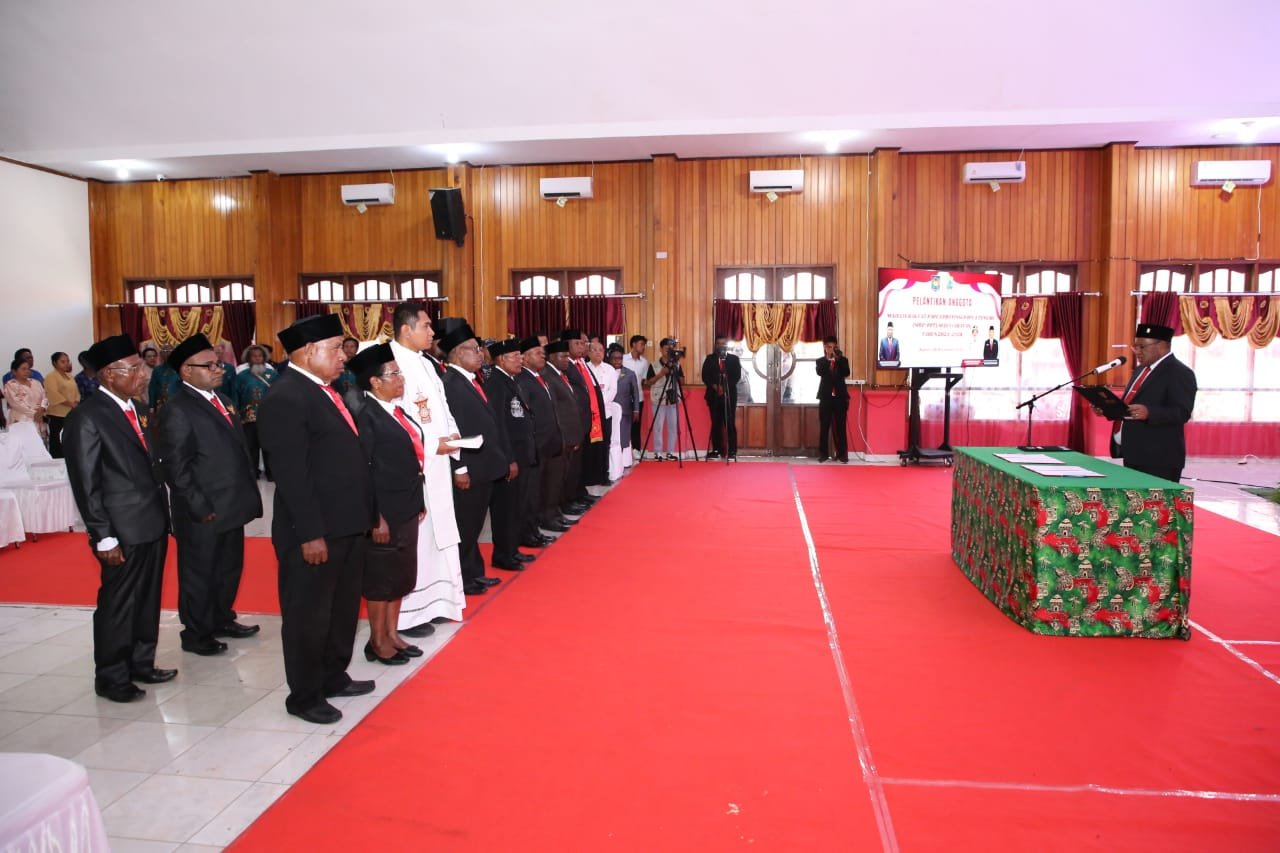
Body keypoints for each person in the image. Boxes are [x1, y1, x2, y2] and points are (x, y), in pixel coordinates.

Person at [258, 314, 376, 725]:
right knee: (309, 615)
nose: (344, 356)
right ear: (308, 351)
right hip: (315, 530)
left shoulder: (326, 390)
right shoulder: (286, 397)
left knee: (341, 610)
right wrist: (310, 534)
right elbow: (292, 475)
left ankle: (333, 675)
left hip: (347, 524)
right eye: (335, 348)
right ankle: (305, 696)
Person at [62, 334, 174, 703]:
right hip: (120, 528)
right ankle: (111, 675)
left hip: (152, 521)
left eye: (142, 368)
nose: (143, 375)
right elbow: (86, 483)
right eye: (135, 369)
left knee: (147, 597)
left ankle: (141, 662)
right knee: (119, 603)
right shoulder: (87, 417)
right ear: (109, 374)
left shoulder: (138, 409)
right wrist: (102, 535)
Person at [157, 333, 264, 658]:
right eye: (210, 366)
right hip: (202, 508)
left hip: (230, 504)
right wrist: (198, 505)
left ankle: (221, 618)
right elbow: (176, 466)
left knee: (228, 567)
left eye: (218, 364)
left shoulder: (224, 401)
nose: (219, 370)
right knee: (199, 572)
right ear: (186, 371)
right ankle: (197, 633)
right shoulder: (178, 409)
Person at [389, 302, 466, 633]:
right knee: (417, 540)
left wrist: (454, 436)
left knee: (439, 535)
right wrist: (434, 444)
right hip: (415, 468)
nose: (432, 332)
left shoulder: (426, 363)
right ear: (406, 330)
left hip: (438, 465)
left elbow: (442, 408)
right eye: (426, 326)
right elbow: (395, 419)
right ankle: (410, 614)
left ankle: (437, 602)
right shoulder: (391, 364)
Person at [346, 343, 426, 665]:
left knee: (399, 576)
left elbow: (410, 460)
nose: (400, 378)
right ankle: (377, 641)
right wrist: (375, 517)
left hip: (405, 505)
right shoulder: (366, 417)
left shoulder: (395, 410)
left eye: (399, 372)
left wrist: (418, 501)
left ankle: (392, 634)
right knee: (381, 581)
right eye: (393, 374)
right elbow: (362, 472)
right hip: (384, 513)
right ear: (374, 382)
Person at [440, 322, 512, 595]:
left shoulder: (470, 379)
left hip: (484, 464)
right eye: (474, 349)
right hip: (470, 466)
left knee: (474, 524)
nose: (481, 354)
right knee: (466, 526)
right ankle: (463, 579)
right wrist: (459, 467)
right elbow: (452, 428)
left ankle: (474, 572)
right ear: (458, 353)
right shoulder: (451, 383)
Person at [1106, 323, 1197, 483]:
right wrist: (1107, 408)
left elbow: (1182, 412)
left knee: (1155, 500)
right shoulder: (1141, 370)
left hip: (1159, 458)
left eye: (1142, 347)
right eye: (1135, 346)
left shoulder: (1179, 372)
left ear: (1161, 345)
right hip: (1134, 453)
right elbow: (1130, 405)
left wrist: (1150, 412)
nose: (1137, 351)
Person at [485, 338, 538, 571]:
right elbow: (498, 424)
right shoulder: (496, 383)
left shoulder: (511, 380)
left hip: (521, 454)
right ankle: (503, 555)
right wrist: (508, 459)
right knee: (505, 509)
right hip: (510, 457)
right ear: (500, 359)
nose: (520, 360)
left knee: (517, 506)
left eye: (520, 355)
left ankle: (512, 549)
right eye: (515, 356)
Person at [514, 337, 562, 544]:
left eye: (543, 353)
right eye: (537, 353)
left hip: (546, 444)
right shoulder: (522, 380)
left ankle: (535, 529)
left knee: (540, 490)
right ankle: (528, 533)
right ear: (524, 358)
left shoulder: (539, 377)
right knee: (530, 494)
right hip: (535, 446)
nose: (543, 355)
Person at [541, 340, 588, 522]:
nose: (566, 360)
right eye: (563, 356)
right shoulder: (547, 375)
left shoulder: (560, 374)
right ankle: (550, 514)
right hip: (561, 437)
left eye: (567, 356)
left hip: (570, 436)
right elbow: (555, 411)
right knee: (554, 480)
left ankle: (559, 509)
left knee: (563, 477)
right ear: (552, 357)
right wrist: (563, 437)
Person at [231, 344, 278, 480]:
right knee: (251, 447)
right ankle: (253, 473)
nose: (257, 358)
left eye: (260, 356)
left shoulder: (273, 375)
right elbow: (235, 397)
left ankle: (271, 473)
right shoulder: (241, 377)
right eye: (254, 356)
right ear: (248, 358)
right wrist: (235, 416)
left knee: (269, 446)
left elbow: (279, 395)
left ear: (264, 358)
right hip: (247, 418)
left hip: (269, 417)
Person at [3, 359, 52, 464]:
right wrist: (34, 414)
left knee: (40, 447)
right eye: (23, 369)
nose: (27, 371)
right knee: (23, 448)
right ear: (14, 371)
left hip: (39, 418)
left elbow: (45, 397)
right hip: (21, 419)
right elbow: (16, 403)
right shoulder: (10, 385)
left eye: (28, 369)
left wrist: (42, 408)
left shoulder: (36, 382)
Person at [588, 340, 625, 481]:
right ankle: (590, 475)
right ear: (589, 352)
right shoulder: (585, 368)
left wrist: (599, 404)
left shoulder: (609, 369)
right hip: (590, 414)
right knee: (590, 445)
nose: (598, 353)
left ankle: (603, 474)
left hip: (605, 413)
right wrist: (593, 405)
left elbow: (613, 390)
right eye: (595, 350)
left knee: (605, 444)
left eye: (601, 350)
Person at [701, 335, 741, 460]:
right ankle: (716, 450)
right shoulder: (710, 359)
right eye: (719, 343)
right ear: (715, 345)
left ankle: (732, 451)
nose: (721, 346)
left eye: (723, 343)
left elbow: (736, 376)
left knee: (729, 423)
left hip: (729, 396)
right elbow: (705, 376)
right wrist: (714, 386)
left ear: (727, 345)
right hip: (713, 396)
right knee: (716, 423)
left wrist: (724, 388)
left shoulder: (733, 359)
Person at [815, 336, 851, 463]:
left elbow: (846, 372)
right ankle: (823, 454)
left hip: (840, 398)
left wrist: (838, 359)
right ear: (825, 348)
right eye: (829, 347)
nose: (831, 349)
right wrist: (828, 359)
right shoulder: (820, 361)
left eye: (833, 347)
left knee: (841, 427)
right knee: (824, 427)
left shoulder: (843, 360)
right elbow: (820, 372)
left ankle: (842, 455)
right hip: (826, 398)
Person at [650, 338, 683, 460]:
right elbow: (648, 382)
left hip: (673, 399)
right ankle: (657, 452)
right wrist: (661, 374)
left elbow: (682, 381)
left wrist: (676, 371)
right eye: (666, 349)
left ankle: (670, 452)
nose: (668, 351)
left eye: (671, 349)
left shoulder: (677, 364)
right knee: (658, 427)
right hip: (658, 398)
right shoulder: (653, 365)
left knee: (673, 427)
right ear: (660, 349)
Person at [608, 346, 640, 467]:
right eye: (614, 358)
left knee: (624, 437)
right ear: (609, 359)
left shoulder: (630, 374)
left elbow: (635, 393)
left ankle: (622, 461)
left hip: (625, 411)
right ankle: (611, 463)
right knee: (611, 437)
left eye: (620, 358)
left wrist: (636, 410)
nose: (617, 361)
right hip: (608, 410)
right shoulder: (606, 371)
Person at [44, 351, 80, 458]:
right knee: (57, 441)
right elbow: (53, 394)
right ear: (55, 363)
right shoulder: (51, 377)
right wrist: (70, 404)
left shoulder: (69, 376)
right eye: (63, 362)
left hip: (71, 413)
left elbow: (77, 392)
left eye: (67, 361)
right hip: (57, 414)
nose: (66, 363)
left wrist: (76, 402)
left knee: (71, 439)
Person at [621, 335, 651, 452]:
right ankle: (623, 449)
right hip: (623, 398)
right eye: (641, 344)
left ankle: (636, 450)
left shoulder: (644, 362)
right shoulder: (623, 359)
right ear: (633, 344)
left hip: (638, 399)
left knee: (636, 425)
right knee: (623, 424)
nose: (643, 347)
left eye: (644, 345)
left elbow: (643, 381)